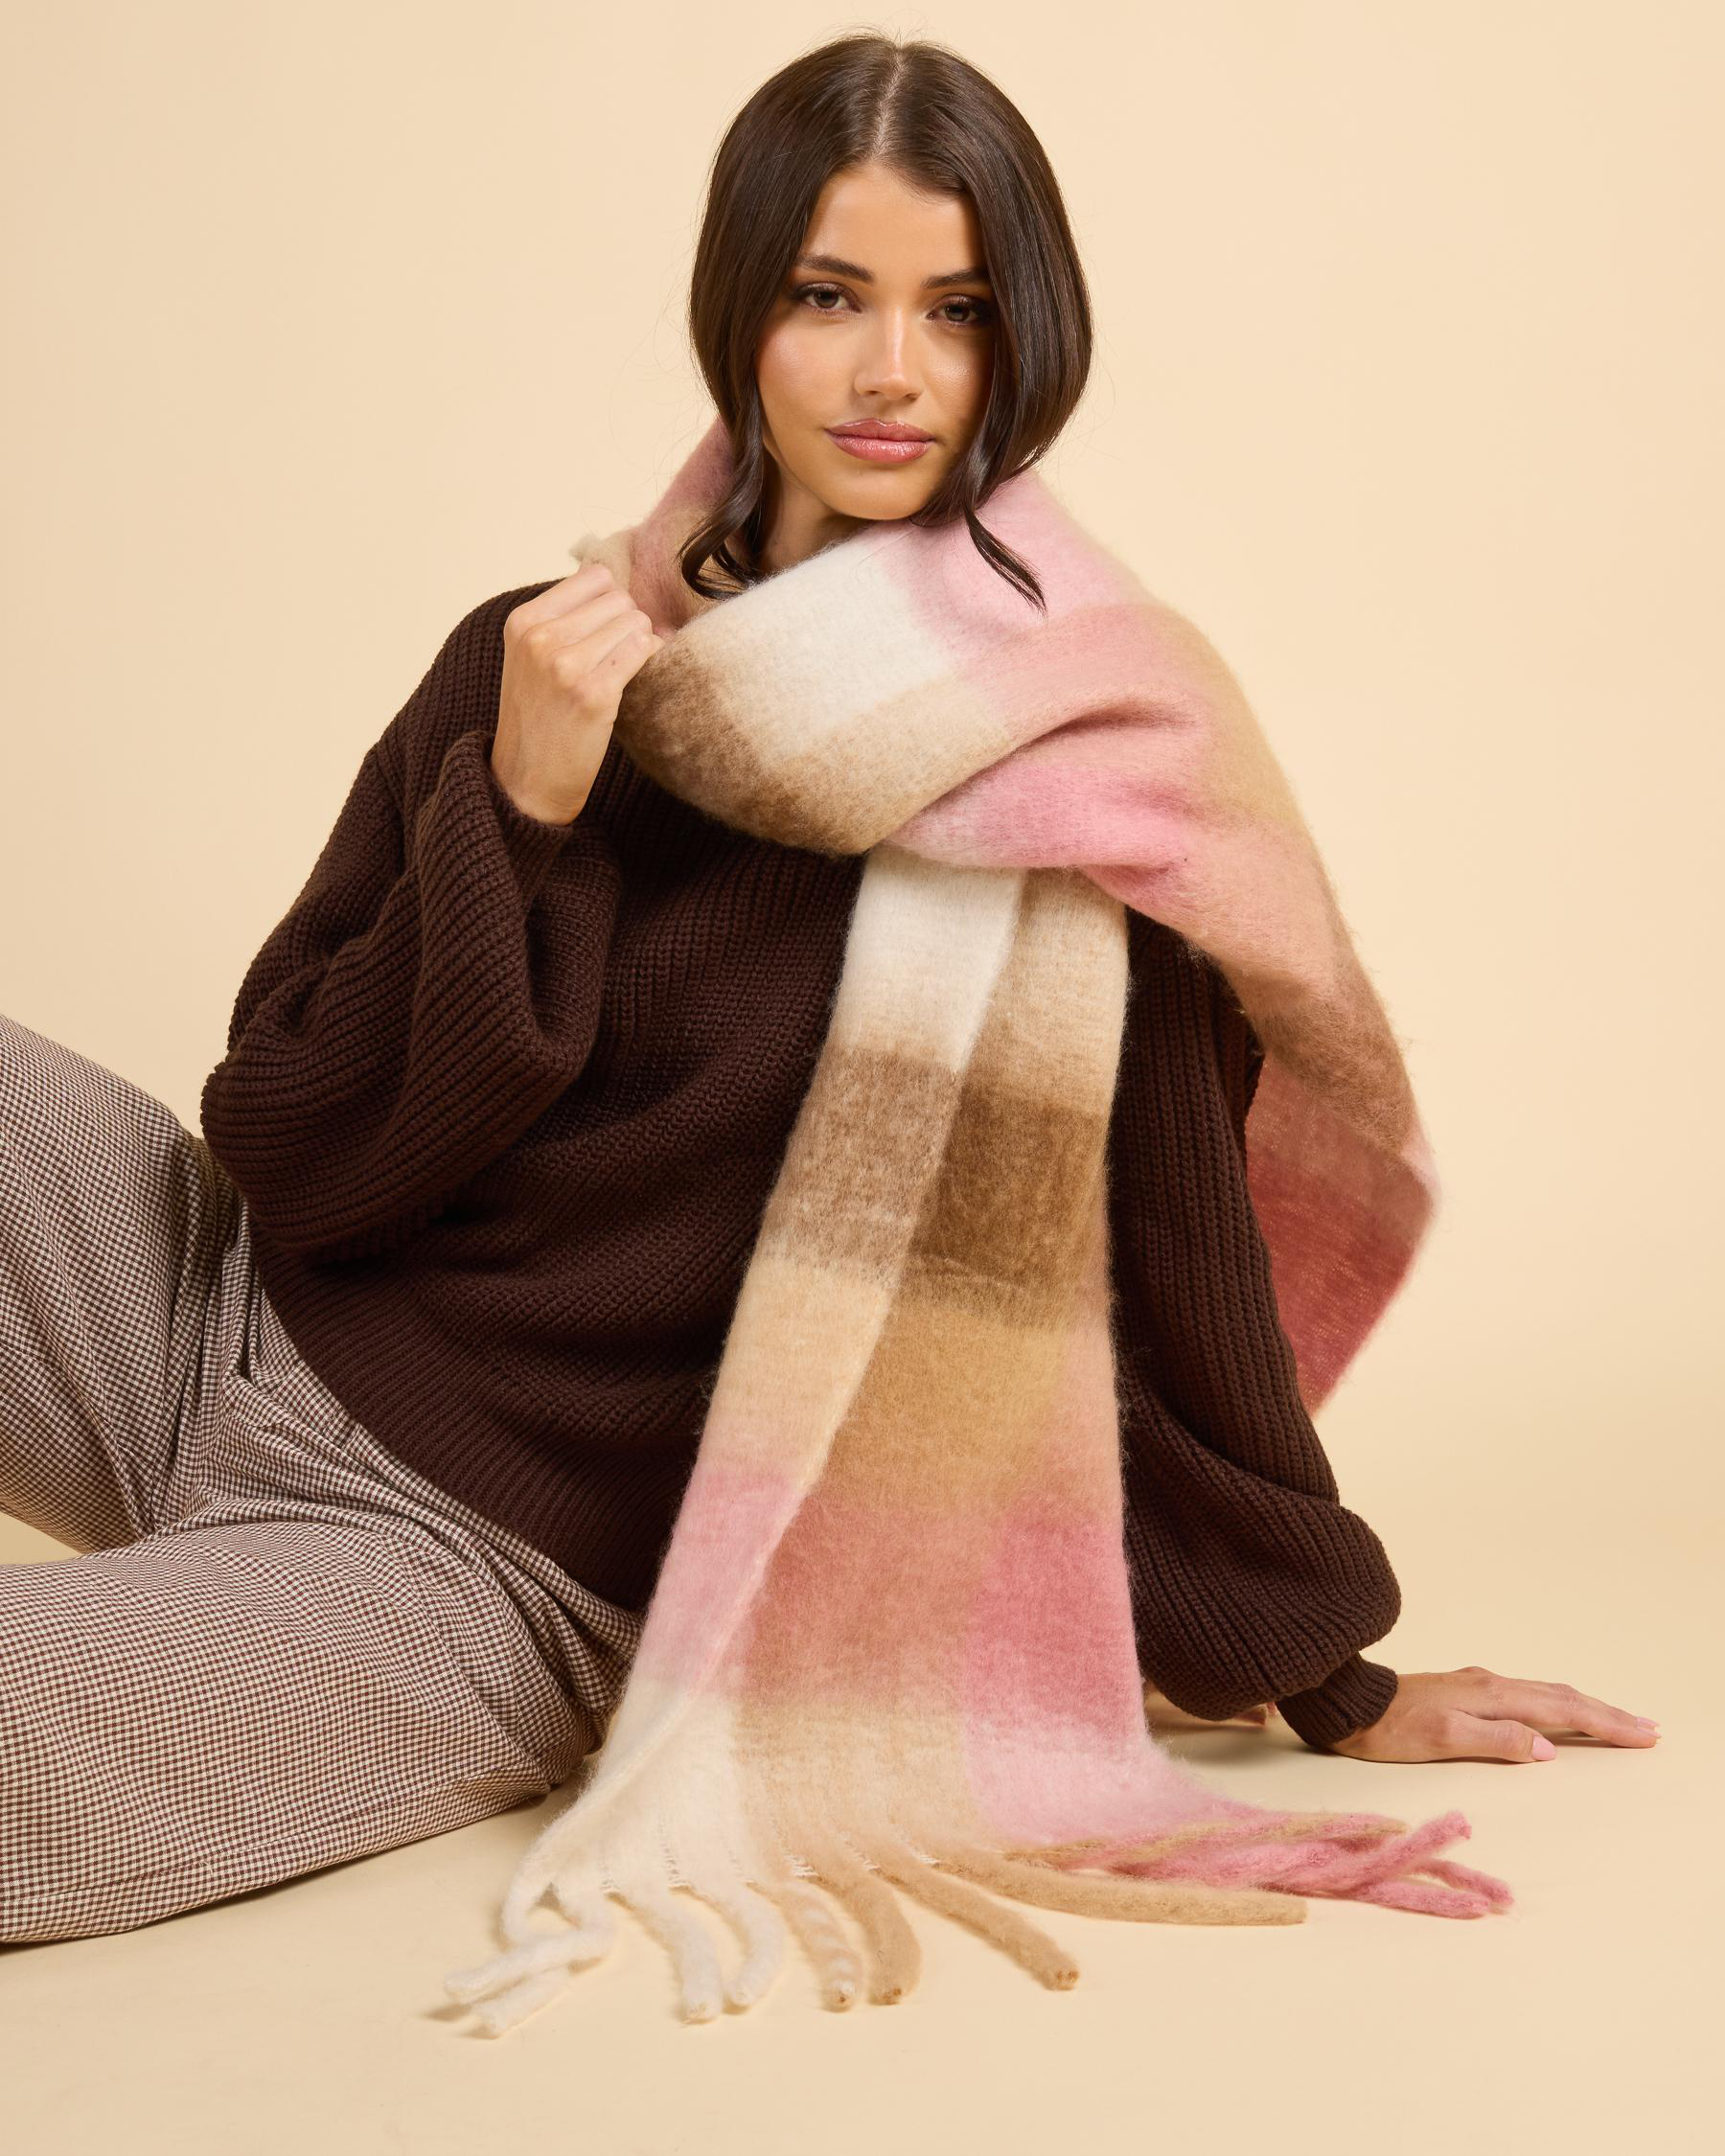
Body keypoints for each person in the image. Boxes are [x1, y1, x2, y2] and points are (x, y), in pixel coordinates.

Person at [0, 32, 1654, 1951]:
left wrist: (1331, 1676)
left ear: (1023, 339)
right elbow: (292, 1138)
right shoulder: (545, 661)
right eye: (828, 296)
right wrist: (518, 810)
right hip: (207, 1311)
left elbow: (1168, 1302)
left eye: (957, 310)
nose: (892, 372)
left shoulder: (1079, 795)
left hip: (470, 1560)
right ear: (743, 318)